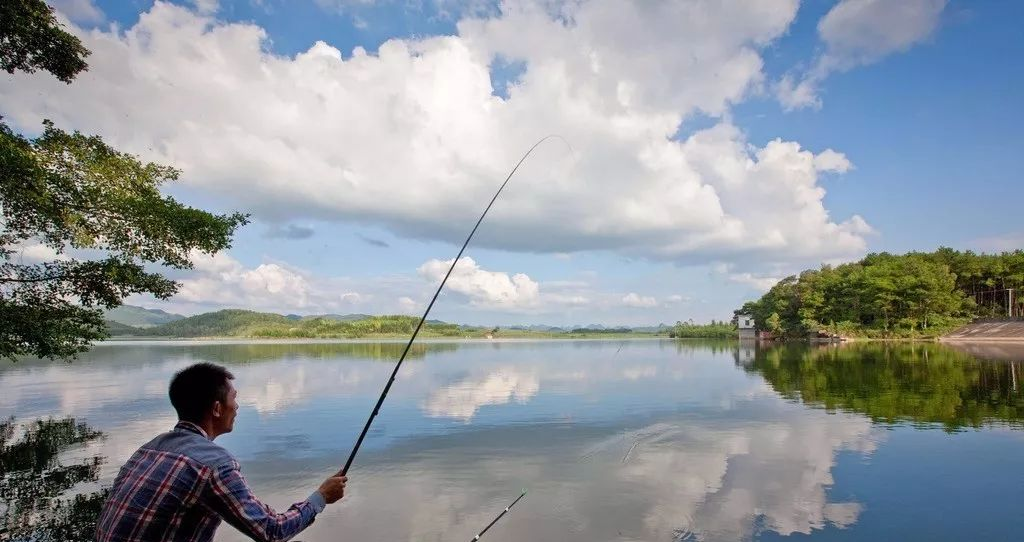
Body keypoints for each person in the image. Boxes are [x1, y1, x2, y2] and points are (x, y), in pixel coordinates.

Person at [96, 362, 347, 542]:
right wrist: (321, 497)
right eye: (234, 398)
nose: (237, 406)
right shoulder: (213, 464)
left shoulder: (149, 448)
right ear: (217, 408)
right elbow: (272, 531)